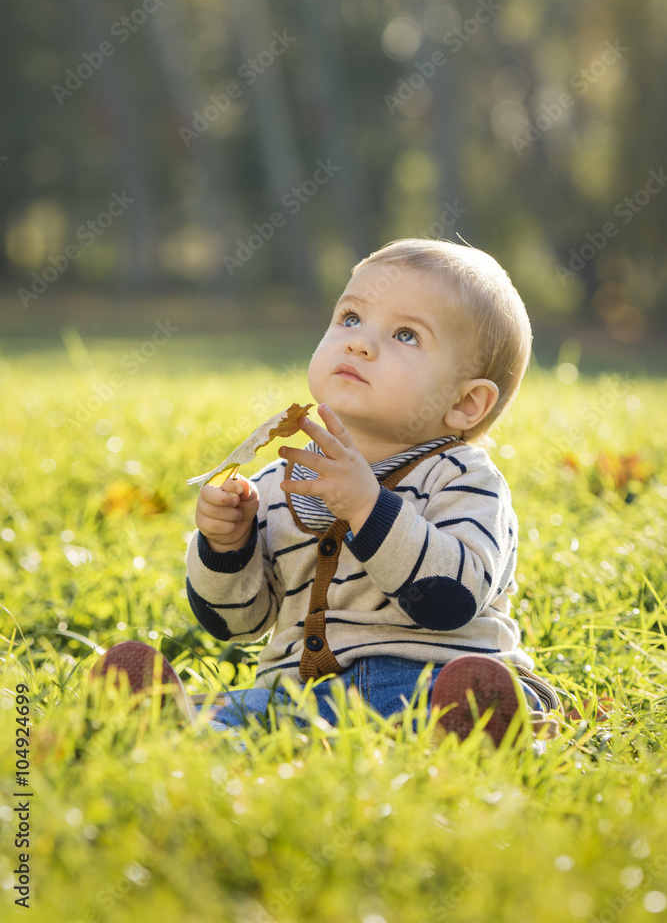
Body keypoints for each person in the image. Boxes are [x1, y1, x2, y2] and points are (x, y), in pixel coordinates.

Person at [97, 238, 562, 746]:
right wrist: (226, 548)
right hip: (297, 692)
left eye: (406, 334)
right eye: (351, 318)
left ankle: (474, 722)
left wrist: (367, 506)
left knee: (458, 706)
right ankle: (168, 725)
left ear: (466, 403)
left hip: (426, 680)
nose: (359, 343)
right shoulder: (279, 482)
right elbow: (236, 626)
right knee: (248, 715)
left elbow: (451, 598)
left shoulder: (463, 478)